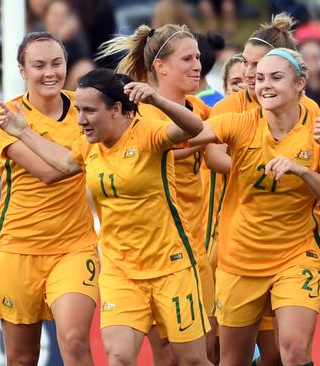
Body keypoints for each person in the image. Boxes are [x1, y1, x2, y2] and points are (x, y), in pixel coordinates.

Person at [0, 68, 211, 366]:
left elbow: (193, 127)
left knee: (191, 361)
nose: (80, 119)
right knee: (119, 358)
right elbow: (61, 162)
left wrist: (158, 102)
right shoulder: (89, 145)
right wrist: (22, 131)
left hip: (171, 267)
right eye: (78, 110)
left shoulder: (149, 133)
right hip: (119, 270)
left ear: (117, 110)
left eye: (89, 111)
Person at [206, 14, 320, 365]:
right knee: (226, 355)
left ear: (299, 82)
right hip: (236, 250)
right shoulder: (232, 115)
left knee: (293, 352)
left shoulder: (317, 121)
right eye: (254, 73)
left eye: (269, 73)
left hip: (296, 252)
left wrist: (303, 173)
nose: (258, 82)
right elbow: (194, 146)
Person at [97, 23, 218, 365]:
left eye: (198, 57)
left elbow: (216, 143)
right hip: (153, 251)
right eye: (187, 58)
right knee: (164, 354)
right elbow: (139, 157)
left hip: (197, 246)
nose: (197, 65)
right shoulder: (139, 113)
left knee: (202, 353)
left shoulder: (200, 109)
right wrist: (195, 144)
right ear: (160, 66)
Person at [0, 32, 99, 366]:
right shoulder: (6, 117)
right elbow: (49, 172)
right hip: (18, 248)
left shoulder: (86, 110)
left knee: (74, 339)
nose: (50, 72)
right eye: (38, 65)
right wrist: (84, 154)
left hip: (74, 247)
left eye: (57, 63)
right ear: (22, 70)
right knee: (22, 358)